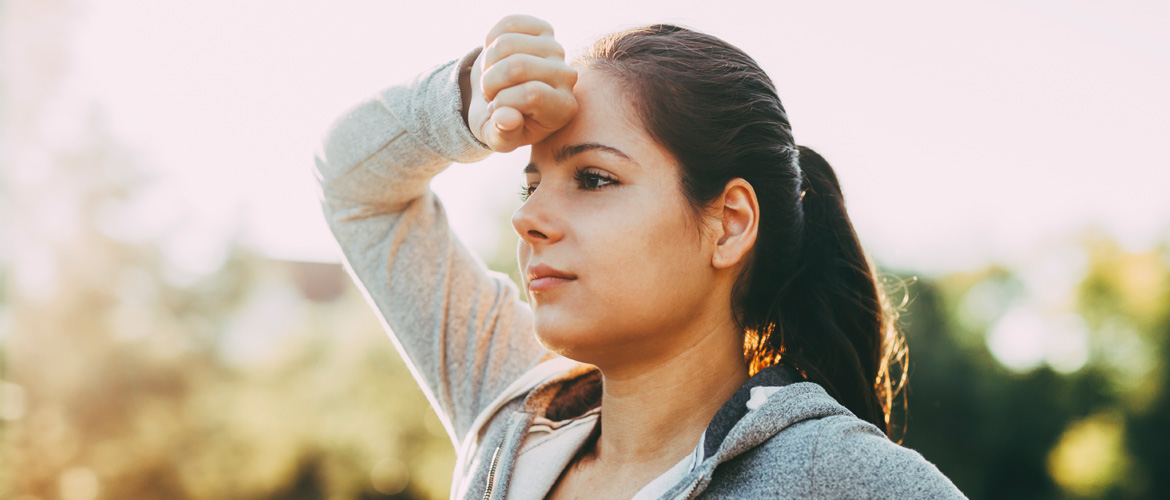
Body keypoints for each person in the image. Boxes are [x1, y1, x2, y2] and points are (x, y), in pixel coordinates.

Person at [314, 14, 966, 500]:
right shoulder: (513, 412)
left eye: (594, 179)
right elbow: (354, 184)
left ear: (730, 224)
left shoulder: (833, 475)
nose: (529, 218)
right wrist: (463, 103)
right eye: (532, 183)